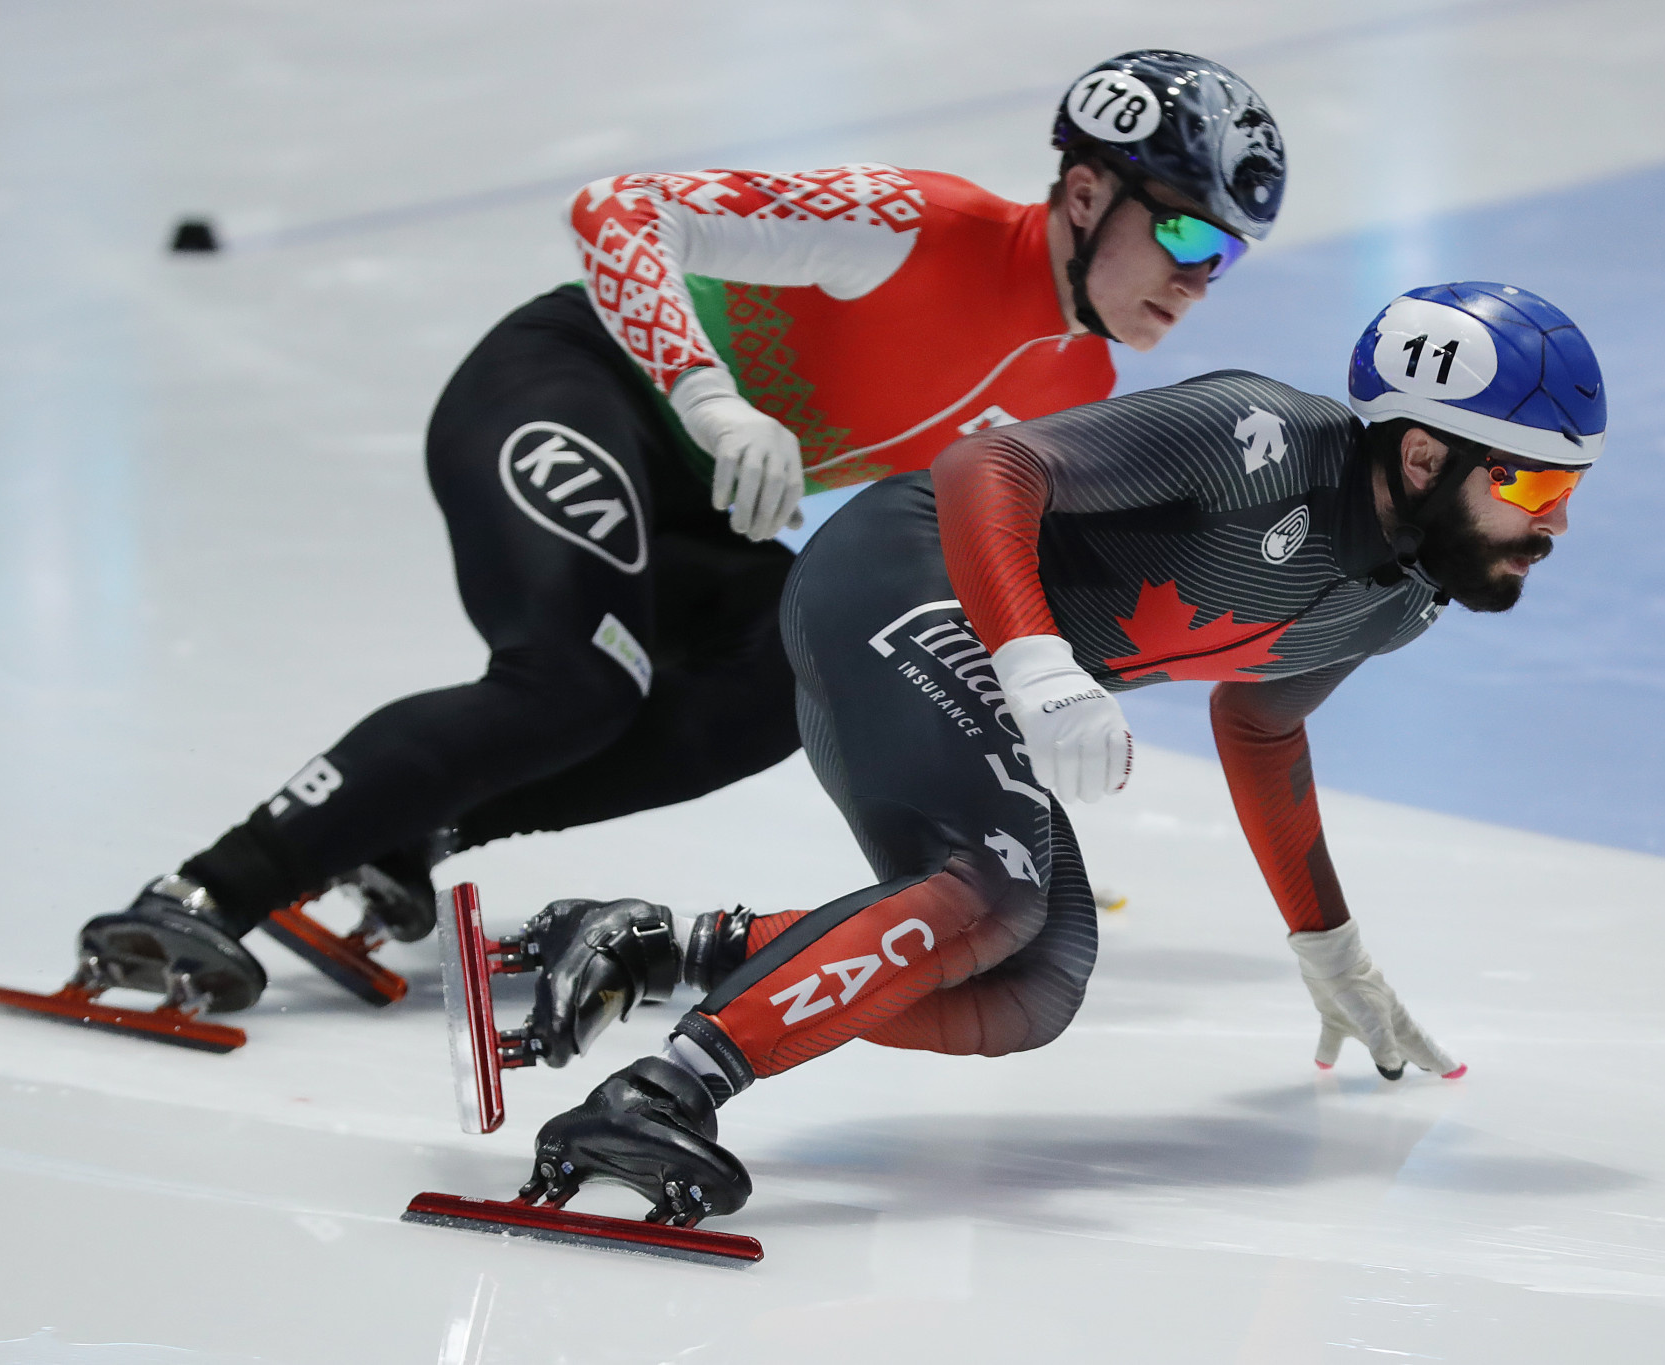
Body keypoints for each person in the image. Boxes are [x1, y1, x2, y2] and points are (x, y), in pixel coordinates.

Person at [62, 52, 1289, 1019]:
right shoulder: (922, 226)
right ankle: (203, 891)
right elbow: (618, 210)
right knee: (573, 685)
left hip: (708, 502)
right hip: (577, 387)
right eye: (1183, 231)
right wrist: (708, 394)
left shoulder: (1076, 381)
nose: (1197, 277)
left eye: (1225, 258)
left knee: (784, 683)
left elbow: (960, 566)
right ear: (1082, 192)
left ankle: (417, 823)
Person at [505, 281, 1607, 1226]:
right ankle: (659, 1095)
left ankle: (659, 948)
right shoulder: (1257, 436)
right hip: (900, 569)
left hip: (970, 644)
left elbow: (1260, 726)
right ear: (1422, 452)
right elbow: (989, 466)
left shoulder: (1400, 604)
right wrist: (1035, 664)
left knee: (1031, 985)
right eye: (1531, 485)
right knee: (993, 889)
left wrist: (1329, 946)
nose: (1554, 522)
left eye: (1568, 490)